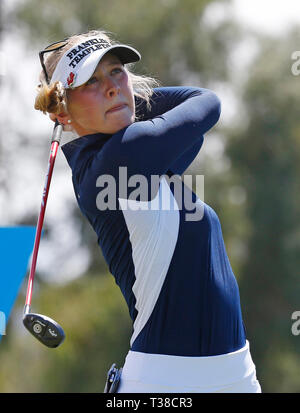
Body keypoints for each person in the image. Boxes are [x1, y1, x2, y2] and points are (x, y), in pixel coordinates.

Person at [34, 29, 261, 393]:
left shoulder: (140, 160)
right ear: (63, 113)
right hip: (164, 384)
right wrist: (131, 100)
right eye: (91, 82)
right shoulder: (120, 160)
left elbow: (192, 123)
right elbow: (206, 102)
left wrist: (126, 100)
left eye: (116, 72)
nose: (111, 86)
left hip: (238, 377)